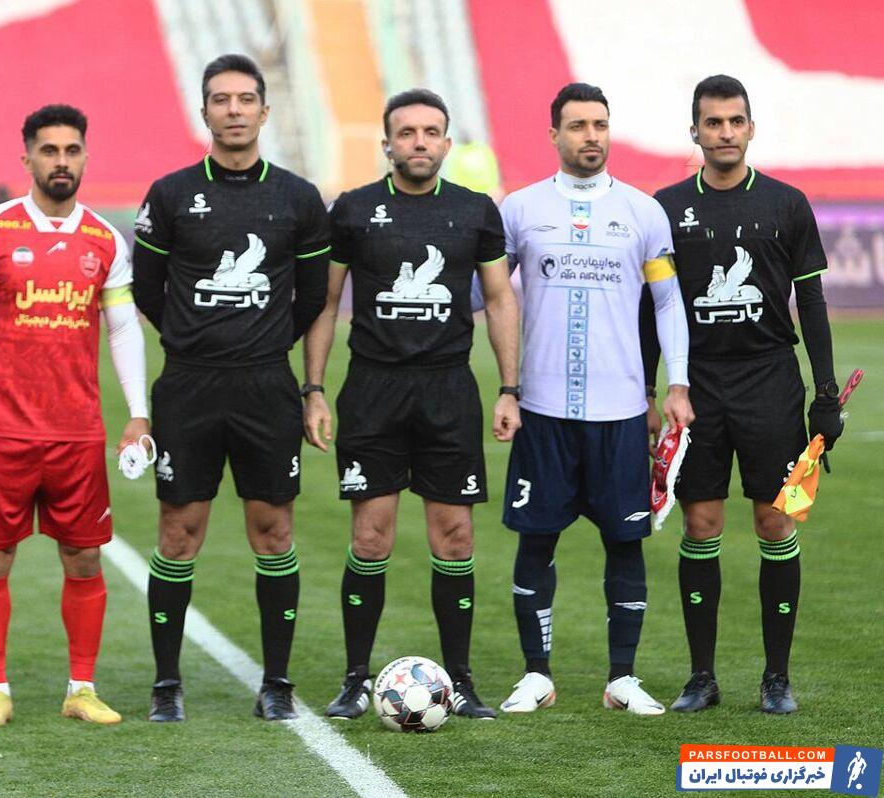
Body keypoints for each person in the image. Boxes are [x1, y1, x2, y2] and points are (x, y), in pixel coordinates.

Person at [304, 89, 520, 720]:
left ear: (446, 144)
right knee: (370, 537)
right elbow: (325, 302)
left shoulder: (475, 211)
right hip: (372, 390)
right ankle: (354, 679)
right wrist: (313, 389)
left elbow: (499, 300)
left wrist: (509, 389)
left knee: (454, 537)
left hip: (448, 390)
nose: (419, 142)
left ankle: (461, 681)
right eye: (407, 133)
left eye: (430, 132)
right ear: (388, 143)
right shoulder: (353, 210)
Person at [132, 54, 330, 722]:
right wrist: (193, 338)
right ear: (205, 112)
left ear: (265, 112)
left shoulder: (298, 198)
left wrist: (264, 343)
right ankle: (166, 685)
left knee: (272, 531)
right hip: (188, 385)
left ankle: (276, 683)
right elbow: (148, 289)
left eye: (246, 99)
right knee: (178, 531)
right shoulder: (170, 194)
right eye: (222, 100)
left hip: (265, 385)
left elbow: (312, 299)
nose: (235, 110)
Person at [0, 104, 149, 729]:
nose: (62, 161)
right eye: (49, 150)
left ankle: (81, 688)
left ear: (85, 156)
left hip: (77, 432)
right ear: (27, 157)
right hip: (3, 428)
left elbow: (122, 329)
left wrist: (138, 413)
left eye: (72, 150)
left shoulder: (105, 240)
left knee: (84, 559)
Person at [494, 83, 694, 716]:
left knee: (625, 544)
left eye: (600, 124)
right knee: (536, 541)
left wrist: (678, 384)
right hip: (543, 410)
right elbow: (490, 295)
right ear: (554, 134)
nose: (591, 136)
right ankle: (536, 675)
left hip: (620, 413)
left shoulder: (643, 212)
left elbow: (667, 301)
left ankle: (622, 679)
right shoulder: (520, 209)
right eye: (578, 125)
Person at [651, 75, 841, 714]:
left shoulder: (788, 203)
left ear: (751, 128)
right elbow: (655, 308)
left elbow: (811, 302)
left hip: (771, 383)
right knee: (701, 524)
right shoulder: (666, 207)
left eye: (736, 121)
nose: (725, 132)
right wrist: (651, 392)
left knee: (775, 521)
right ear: (695, 131)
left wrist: (825, 395)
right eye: (713, 122)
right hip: (698, 385)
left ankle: (776, 679)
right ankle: (701, 678)